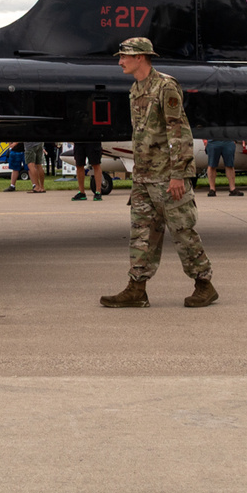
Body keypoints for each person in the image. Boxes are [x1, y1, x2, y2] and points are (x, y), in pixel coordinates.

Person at [101, 37, 217, 309]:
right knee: (142, 233)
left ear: (140, 57)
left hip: (167, 176)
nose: (120, 61)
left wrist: (178, 173)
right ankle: (136, 288)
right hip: (143, 177)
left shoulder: (166, 86)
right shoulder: (135, 89)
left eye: (124, 57)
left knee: (182, 231)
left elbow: (179, 132)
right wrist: (137, 176)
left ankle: (204, 284)